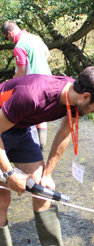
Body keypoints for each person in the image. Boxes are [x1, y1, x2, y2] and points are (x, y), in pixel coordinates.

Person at [0, 65, 94, 246]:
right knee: (2, 200)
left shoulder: (74, 98)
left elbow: (66, 131)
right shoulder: (31, 96)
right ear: (86, 96)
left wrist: (48, 174)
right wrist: (9, 173)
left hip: (19, 131)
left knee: (44, 191)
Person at [2, 21, 52, 150]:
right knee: (41, 116)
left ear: (10, 33)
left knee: (27, 116)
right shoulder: (35, 38)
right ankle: (41, 152)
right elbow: (47, 54)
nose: (10, 40)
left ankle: (32, 153)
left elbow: (21, 71)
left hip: (32, 86)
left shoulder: (19, 46)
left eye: (7, 38)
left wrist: (11, 87)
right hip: (49, 82)